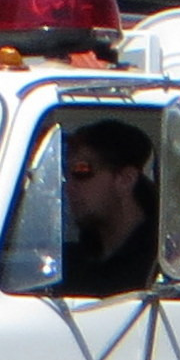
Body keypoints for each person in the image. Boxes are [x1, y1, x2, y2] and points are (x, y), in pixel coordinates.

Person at [59, 118, 156, 297]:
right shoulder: (66, 264)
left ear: (126, 179)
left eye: (82, 173)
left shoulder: (161, 268)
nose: (69, 187)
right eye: (66, 177)